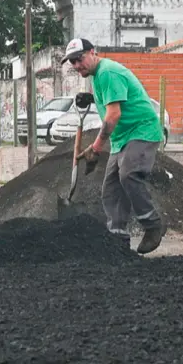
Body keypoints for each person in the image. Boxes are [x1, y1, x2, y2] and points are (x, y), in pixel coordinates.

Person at [62, 38, 166, 254]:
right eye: (72, 62)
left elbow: (113, 114)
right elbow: (115, 100)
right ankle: (117, 243)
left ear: (92, 52)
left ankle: (153, 224)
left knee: (129, 174)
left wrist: (96, 147)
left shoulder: (108, 72)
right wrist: (91, 98)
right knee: (111, 190)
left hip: (141, 130)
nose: (77, 65)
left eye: (79, 59)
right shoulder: (97, 76)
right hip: (122, 138)